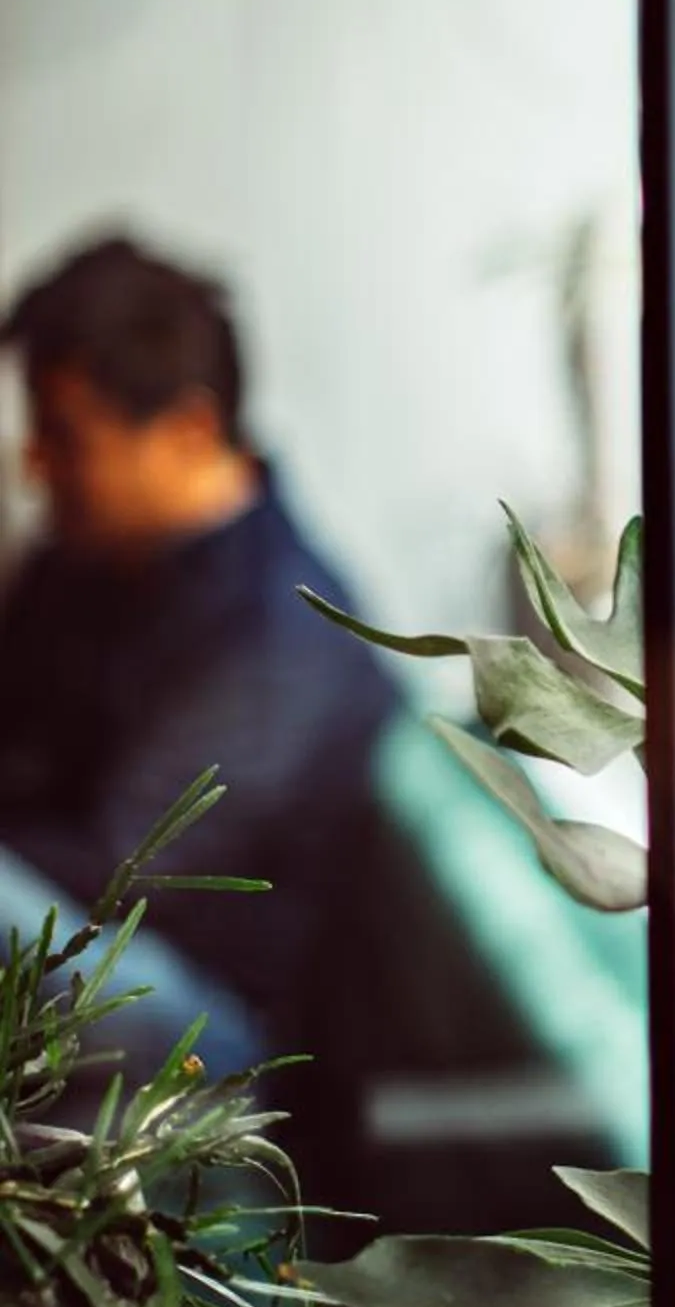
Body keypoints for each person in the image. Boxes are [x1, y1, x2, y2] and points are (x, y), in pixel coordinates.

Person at [0, 234, 396, 1048]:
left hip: (199, 1018)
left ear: (188, 429)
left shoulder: (287, 632)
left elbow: (124, 875)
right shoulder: (86, 564)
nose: (37, 467)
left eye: (68, 437)